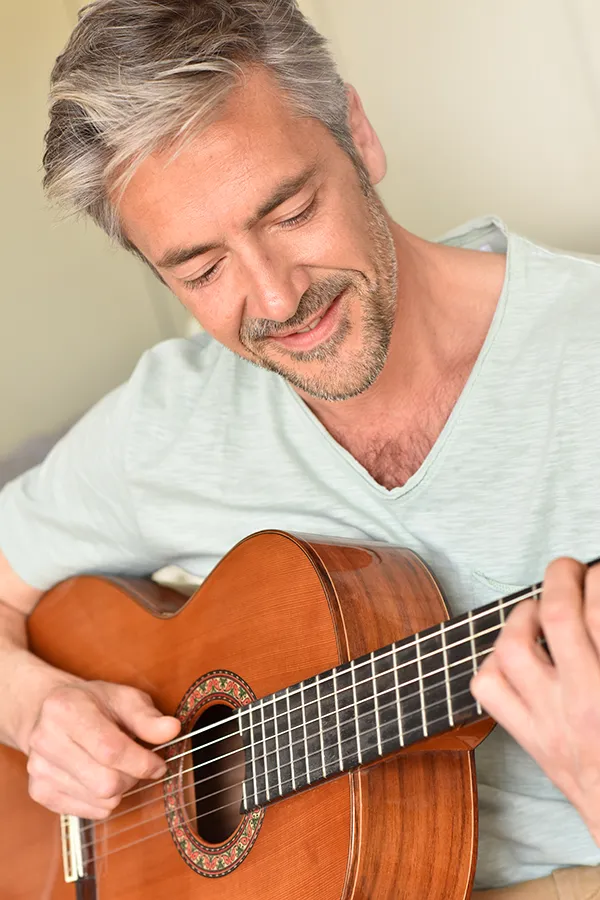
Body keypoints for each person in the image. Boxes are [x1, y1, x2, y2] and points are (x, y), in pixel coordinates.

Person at [1, 0, 599, 896]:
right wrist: (35, 704)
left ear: (358, 133)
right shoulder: (168, 419)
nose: (276, 299)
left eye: (290, 212)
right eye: (201, 270)